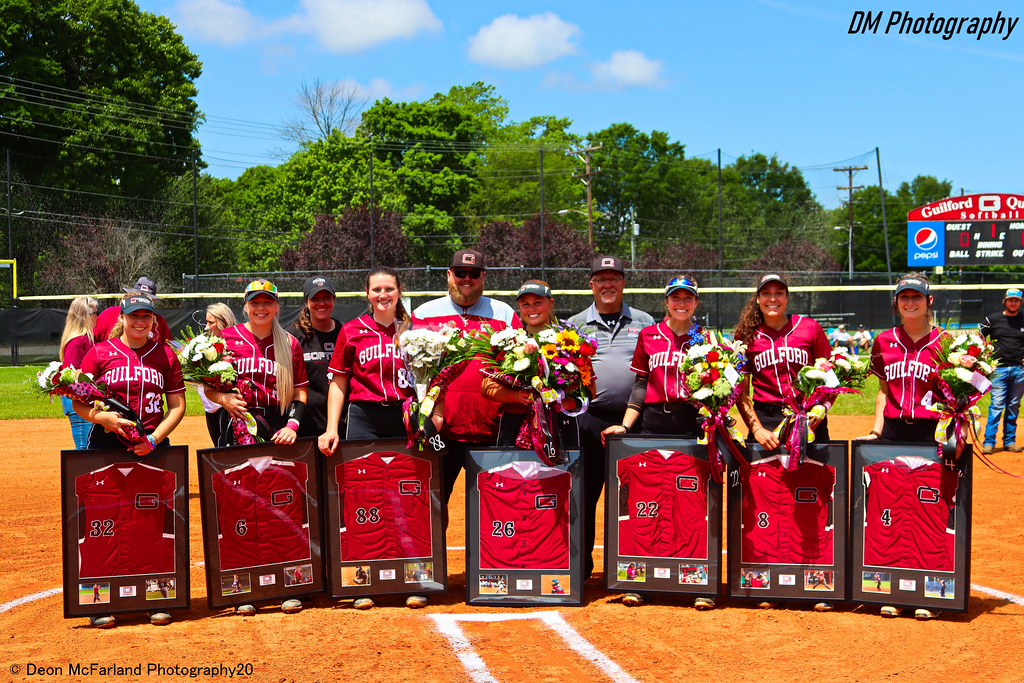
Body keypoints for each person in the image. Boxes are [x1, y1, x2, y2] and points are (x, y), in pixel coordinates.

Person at [601, 276, 715, 611]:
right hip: (653, 421)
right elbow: (640, 383)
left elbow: (717, 385)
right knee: (646, 499)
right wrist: (625, 425)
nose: (682, 303)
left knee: (692, 504)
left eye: (688, 298)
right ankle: (642, 579)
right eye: (675, 298)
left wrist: (714, 420)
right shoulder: (650, 335)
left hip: (690, 421)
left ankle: (698, 579)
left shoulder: (706, 339)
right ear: (666, 302)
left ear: (696, 303)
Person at [74, 293, 186, 628]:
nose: (139, 323)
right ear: (121, 318)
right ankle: (100, 601)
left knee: (152, 525)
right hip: (106, 444)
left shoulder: (165, 355)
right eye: (133, 316)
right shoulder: (100, 353)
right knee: (102, 525)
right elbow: (80, 401)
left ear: (154, 320)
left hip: (152, 448)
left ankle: (156, 596)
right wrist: (101, 419)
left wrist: (155, 439)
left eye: (146, 317)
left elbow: (178, 406)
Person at [858, 273, 947, 621]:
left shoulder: (944, 341)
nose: (910, 303)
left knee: (929, 512)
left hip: (930, 432)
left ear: (929, 302)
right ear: (895, 302)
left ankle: (931, 591)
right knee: (889, 512)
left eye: (917, 297)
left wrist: (956, 430)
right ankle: (892, 589)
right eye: (904, 297)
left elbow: (955, 395)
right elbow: (883, 389)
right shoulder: (884, 340)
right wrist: (876, 432)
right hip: (894, 432)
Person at [567, 255, 654, 579]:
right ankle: (582, 570)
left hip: (635, 421)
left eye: (614, 278)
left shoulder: (645, 322)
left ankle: (632, 567)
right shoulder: (574, 325)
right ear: (591, 284)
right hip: (588, 420)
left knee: (634, 497)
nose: (608, 284)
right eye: (601, 279)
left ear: (623, 283)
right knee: (584, 495)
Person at [412, 249, 519, 506]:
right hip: (440, 431)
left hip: (492, 431)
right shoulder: (425, 313)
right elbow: (414, 371)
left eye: (474, 274)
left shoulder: (503, 313)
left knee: (493, 510)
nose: (466, 279)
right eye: (460, 273)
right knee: (433, 508)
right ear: (449, 275)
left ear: (483, 277)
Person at [204, 278, 309, 447]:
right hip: (237, 421)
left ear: (276, 307)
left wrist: (291, 426)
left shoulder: (290, 343)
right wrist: (223, 398)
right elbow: (208, 389)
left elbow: (299, 392)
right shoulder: (226, 338)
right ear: (246, 306)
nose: (261, 308)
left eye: (267, 302)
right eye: (254, 302)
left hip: (277, 427)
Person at [734, 273, 833, 450]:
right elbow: (741, 392)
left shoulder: (810, 328)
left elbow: (832, 377)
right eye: (766, 293)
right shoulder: (746, 335)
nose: (773, 298)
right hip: (767, 420)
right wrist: (756, 429)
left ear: (787, 297)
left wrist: (822, 409)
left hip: (809, 417)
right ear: (757, 299)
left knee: (813, 475)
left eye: (779, 292)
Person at [319, 267, 412, 449]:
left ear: (399, 291)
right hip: (364, 416)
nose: (383, 294)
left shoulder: (414, 329)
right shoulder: (351, 330)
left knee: (404, 474)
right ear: (367, 292)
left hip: (405, 413)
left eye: (389, 289)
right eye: (376, 290)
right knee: (363, 475)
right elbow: (338, 381)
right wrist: (331, 428)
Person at [481, 280, 581, 449]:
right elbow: (486, 387)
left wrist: (563, 402)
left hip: (559, 422)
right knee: (512, 475)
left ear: (550, 302)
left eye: (538, 303)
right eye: (525, 304)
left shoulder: (569, 342)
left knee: (563, 474)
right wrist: (517, 396)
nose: (531, 309)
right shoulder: (506, 342)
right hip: (515, 423)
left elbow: (589, 387)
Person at [287, 276, 344, 440]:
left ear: (334, 300)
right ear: (306, 302)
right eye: (315, 298)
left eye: (326, 298)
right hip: (304, 425)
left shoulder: (344, 332)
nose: (321, 303)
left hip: (340, 424)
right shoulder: (293, 335)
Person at [978, 287, 1024, 454]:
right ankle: (989, 442)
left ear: (1020, 302)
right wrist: (985, 356)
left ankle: (1009, 441)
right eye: (1011, 300)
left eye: (1017, 300)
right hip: (999, 369)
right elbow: (979, 337)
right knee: (996, 405)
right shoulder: (993, 319)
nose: (1013, 303)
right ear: (1005, 301)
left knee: (1013, 406)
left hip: (1020, 370)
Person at [58, 296, 99, 449]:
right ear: (85, 316)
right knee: (83, 448)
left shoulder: (84, 339)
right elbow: (71, 376)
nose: (97, 317)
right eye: (95, 313)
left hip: (82, 399)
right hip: (77, 399)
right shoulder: (78, 341)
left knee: (88, 446)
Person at [196, 303, 237, 447]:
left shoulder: (233, 343)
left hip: (224, 405)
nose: (206, 326)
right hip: (209, 405)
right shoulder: (204, 342)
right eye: (206, 321)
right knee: (216, 444)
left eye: (210, 322)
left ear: (223, 322)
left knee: (224, 447)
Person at [92, 276, 172, 344]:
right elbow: (89, 342)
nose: (141, 301)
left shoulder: (159, 322)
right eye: (139, 296)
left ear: (153, 301)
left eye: (146, 299)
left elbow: (169, 351)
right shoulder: (109, 314)